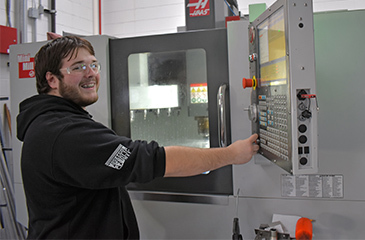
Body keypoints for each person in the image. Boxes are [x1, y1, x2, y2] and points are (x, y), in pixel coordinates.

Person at [16, 36, 259, 238]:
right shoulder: (65, 133)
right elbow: (155, 159)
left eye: (93, 64)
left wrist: (68, 54)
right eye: (78, 67)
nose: (91, 74)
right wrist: (231, 154)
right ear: (51, 80)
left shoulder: (50, 123)